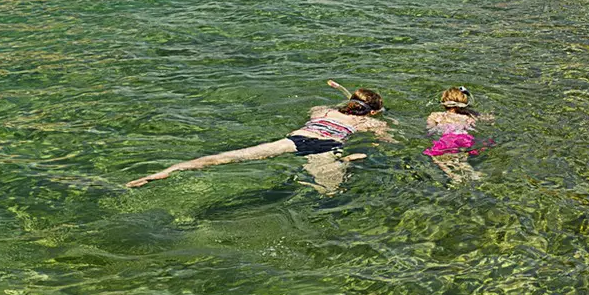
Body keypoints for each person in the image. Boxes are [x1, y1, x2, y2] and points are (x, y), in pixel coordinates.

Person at [127, 85, 394, 195]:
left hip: (296, 138)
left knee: (226, 158)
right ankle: (346, 161)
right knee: (331, 191)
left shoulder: (322, 110)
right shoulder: (368, 122)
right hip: (328, 147)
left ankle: (167, 171)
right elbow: (386, 140)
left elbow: (317, 114)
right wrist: (382, 123)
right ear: (371, 111)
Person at [424, 86, 484, 185]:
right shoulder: (470, 115)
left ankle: (453, 175)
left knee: (436, 157)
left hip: (448, 139)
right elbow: (487, 119)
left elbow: (430, 129)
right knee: (461, 157)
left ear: (444, 102)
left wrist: (429, 135)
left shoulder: (436, 115)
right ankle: (472, 173)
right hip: (466, 138)